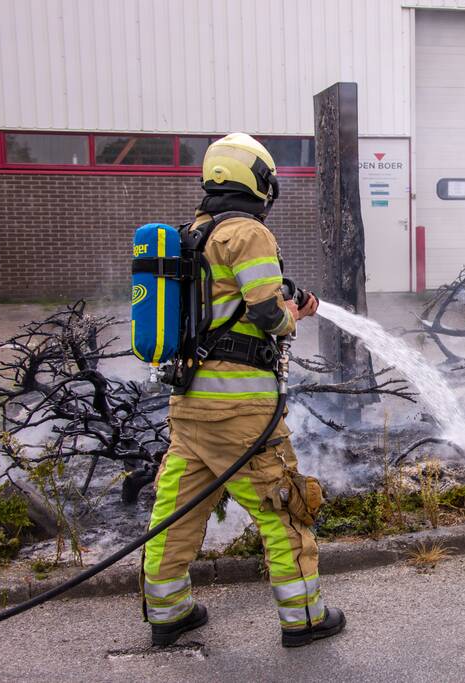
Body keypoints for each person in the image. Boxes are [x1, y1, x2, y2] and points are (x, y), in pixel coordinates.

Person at [140, 133, 345, 648]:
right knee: (283, 506)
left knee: (176, 510)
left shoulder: (194, 234)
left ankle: (169, 611)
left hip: (188, 405)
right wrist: (292, 315)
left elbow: (225, 302)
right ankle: (304, 618)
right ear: (256, 181)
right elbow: (266, 312)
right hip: (242, 409)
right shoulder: (246, 233)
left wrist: (287, 290)